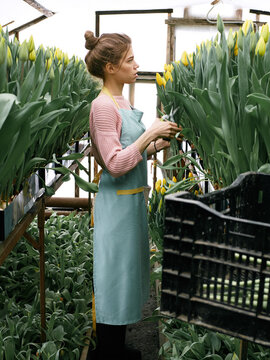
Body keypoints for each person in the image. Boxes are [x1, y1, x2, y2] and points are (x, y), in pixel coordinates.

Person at [84, 30, 181, 360]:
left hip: (130, 201)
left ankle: (116, 347)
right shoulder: (102, 107)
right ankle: (108, 353)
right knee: (114, 279)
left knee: (125, 279)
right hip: (116, 204)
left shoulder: (121, 101)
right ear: (111, 68)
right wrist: (148, 135)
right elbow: (114, 163)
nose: (136, 64)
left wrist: (156, 144)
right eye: (129, 60)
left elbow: (131, 153)